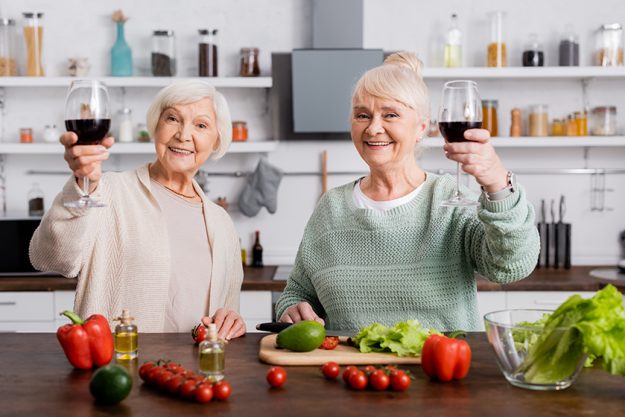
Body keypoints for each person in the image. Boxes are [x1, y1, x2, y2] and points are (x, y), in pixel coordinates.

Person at [275, 52, 540, 332]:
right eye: (362, 115)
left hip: (442, 371)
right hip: (352, 373)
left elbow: (512, 265)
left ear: (421, 128)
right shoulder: (331, 207)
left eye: (390, 114)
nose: (374, 128)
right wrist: (292, 310)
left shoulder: (449, 198)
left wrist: (498, 183)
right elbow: (298, 293)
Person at [30, 80, 245, 338]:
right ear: (156, 126)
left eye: (201, 125)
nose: (183, 135)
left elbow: (227, 314)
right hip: (117, 369)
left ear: (217, 140)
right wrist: (82, 184)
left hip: (192, 375)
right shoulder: (107, 190)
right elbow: (48, 257)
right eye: (173, 119)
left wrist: (232, 321)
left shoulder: (222, 223)